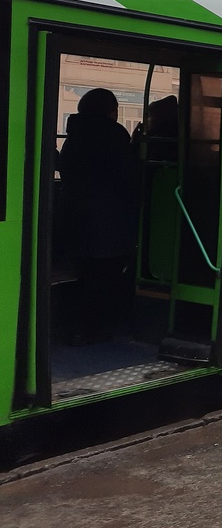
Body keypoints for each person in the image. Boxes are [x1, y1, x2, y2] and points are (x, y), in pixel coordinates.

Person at [57, 87, 140, 343]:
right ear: (111, 110)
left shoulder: (74, 135)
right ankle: (93, 330)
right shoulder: (113, 135)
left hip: (75, 216)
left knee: (85, 274)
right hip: (107, 222)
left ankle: (76, 327)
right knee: (103, 277)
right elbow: (127, 176)